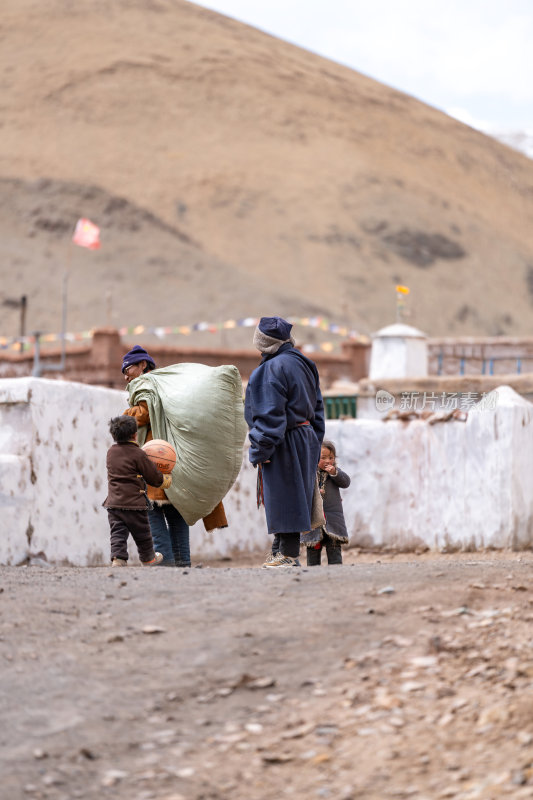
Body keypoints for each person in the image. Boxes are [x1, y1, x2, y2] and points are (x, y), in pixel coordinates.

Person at [121, 345, 228, 567]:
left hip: (157, 456)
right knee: (174, 508)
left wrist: (125, 416)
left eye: (128, 368)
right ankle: (182, 564)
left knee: (150, 508)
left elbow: (145, 412)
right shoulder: (165, 384)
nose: (125, 375)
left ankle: (165, 562)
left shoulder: (147, 383)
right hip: (177, 456)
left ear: (143, 365)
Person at [244, 316, 325, 568]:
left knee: (284, 494)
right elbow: (318, 407)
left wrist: (261, 448)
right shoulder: (305, 363)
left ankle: (288, 555)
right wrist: (314, 440)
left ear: (262, 343)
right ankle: (279, 550)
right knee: (288, 494)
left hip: (282, 438)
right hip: (305, 435)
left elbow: (270, 415)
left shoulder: (270, 369)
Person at [103, 415, 171, 567]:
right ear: (135, 434)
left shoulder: (111, 452)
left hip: (114, 503)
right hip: (134, 504)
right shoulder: (139, 453)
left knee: (117, 533)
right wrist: (164, 480)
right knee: (143, 533)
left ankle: (118, 559)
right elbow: (152, 476)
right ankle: (148, 558)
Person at [301, 440, 351, 565]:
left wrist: (334, 472)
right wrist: (316, 491)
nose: (328, 461)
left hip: (333, 519)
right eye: (323, 458)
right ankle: (313, 574)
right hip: (314, 519)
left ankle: (335, 573)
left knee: (334, 547)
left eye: (331, 457)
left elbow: (346, 482)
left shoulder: (335, 473)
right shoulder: (308, 473)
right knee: (313, 548)